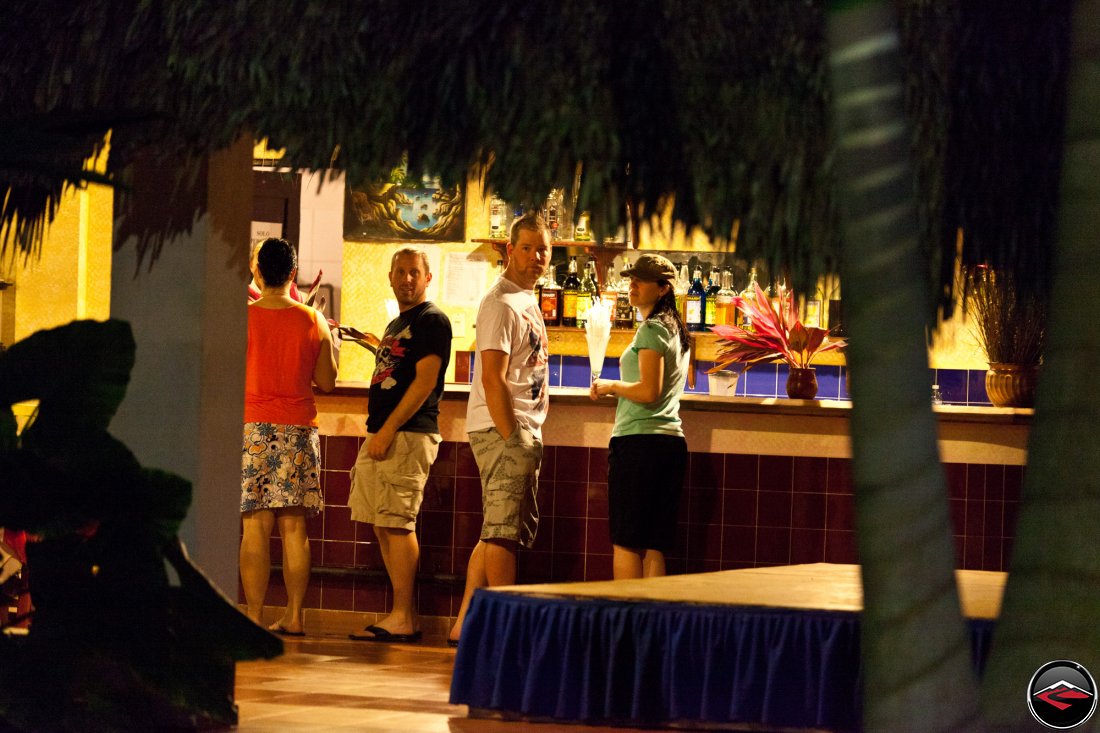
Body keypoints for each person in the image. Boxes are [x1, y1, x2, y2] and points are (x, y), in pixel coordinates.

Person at [449, 212, 552, 646]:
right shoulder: (499, 302)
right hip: (502, 430)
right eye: (527, 248)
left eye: (543, 249)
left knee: (496, 526)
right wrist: (513, 437)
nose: (536, 257)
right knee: (504, 534)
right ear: (510, 250)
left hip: (518, 428)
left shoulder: (526, 299)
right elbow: (491, 376)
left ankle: (464, 625)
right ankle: (509, 631)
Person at [346, 247, 452, 642]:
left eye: (415, 272)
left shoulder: (432, 320)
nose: (408, 278)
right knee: (382, 522)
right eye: (401, 272)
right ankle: (399, 614)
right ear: (390, 277)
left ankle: (404, 615)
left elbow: (425, 381)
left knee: (397, 522)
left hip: (407, 434)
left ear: (427, 279)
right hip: (385, 432)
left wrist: (389, 428)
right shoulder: (398, 322)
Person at [239, 237, 338, 636]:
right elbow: (327, 381)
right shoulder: (311, 320)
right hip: (298, 428)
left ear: (257, 272)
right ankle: (295, 616)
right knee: (294, 528)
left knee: (255, 528)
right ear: (293, 274)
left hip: (253, 427)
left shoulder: (241, 317)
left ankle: (255, 616)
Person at [590, 253, 689, 579]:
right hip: (669, 446)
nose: (632, 285)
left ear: (663, 289)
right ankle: (651, 627)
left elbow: (649, 391)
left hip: (639, 445)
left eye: (641, 280)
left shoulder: (652, 330)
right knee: (654, 545)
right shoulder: (674, 328)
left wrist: (610, 386)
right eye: (631, 278)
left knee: (627, 542)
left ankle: (626, 628)